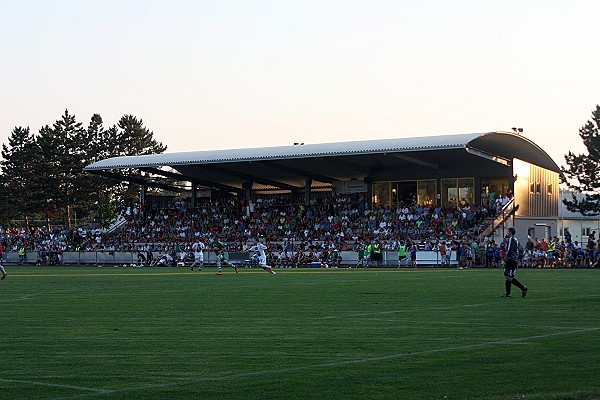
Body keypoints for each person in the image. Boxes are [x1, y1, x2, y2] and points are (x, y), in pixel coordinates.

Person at [501, 227, 528, 298]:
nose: (507, 233)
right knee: (507, 276)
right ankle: (508, 294)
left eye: (508, 231)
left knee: (509, 277)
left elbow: (509, 250)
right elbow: (521, 249)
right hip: (513, 259)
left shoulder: (511, 239)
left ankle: (523, 288)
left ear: (510, 232)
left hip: (511, 260)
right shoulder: (516, 240)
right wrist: (519, 257)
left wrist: (505, 258)